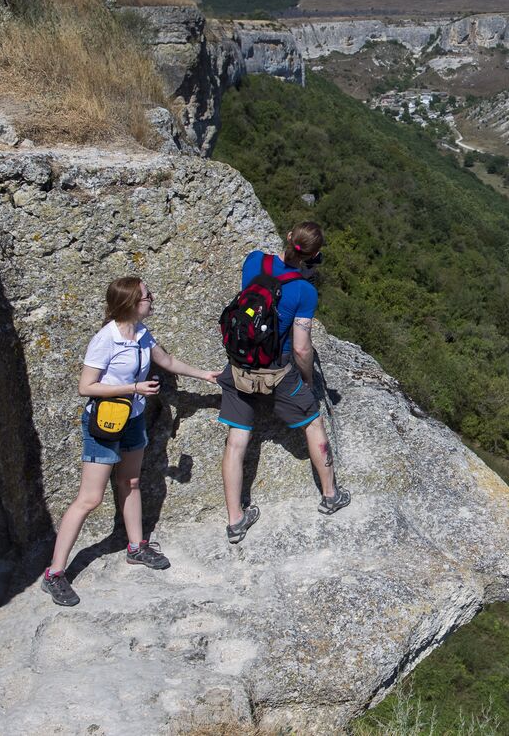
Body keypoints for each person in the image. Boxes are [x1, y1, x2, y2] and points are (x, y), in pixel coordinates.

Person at [41, 276, 220, 607]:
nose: (152, 300)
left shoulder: (140, 333)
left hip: (133, 419)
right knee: (90, 498)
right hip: (105, 423)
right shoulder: (105, 340)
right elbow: (86, 387)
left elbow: (167, 361)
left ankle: (136, 547)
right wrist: (133, 389)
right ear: (131, 303)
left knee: (131, 482)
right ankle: (54, 573)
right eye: (148, 296)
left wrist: (204, 375)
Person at [219, 220, 348, 544]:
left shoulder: (254, 261)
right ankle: (330, 495)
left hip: (240, 363)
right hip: (277, 370)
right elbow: (302, 347)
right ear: (314, 255)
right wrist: (307, 380)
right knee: (313, 424)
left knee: (236, 441)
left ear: (288, 237)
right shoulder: (305, 291)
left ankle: (235, 520)